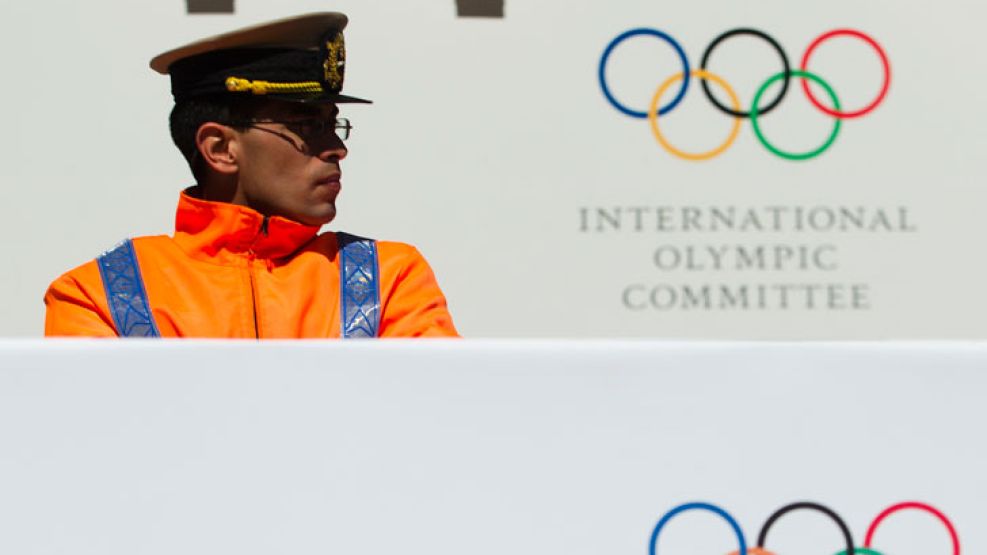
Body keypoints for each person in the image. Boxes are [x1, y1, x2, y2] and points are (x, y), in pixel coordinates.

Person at [44, 12, 458, 338]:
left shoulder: (391, 278)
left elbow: (432, 424)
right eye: (306, 125)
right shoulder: (96, 295)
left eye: (335, 123)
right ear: (221, 149)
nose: (337, 148)